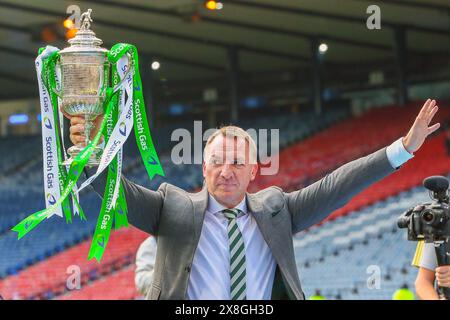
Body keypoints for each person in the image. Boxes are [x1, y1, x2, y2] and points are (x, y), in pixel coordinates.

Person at [69, 99, 440, 300]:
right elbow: (119, 192)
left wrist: (403, 149)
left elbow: (337, 185)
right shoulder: (171, 208)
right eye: (216, 161)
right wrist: (88, 155)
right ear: (203, 168)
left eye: (237, 162)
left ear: (253, 172)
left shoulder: (278, 209)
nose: (225, 170)